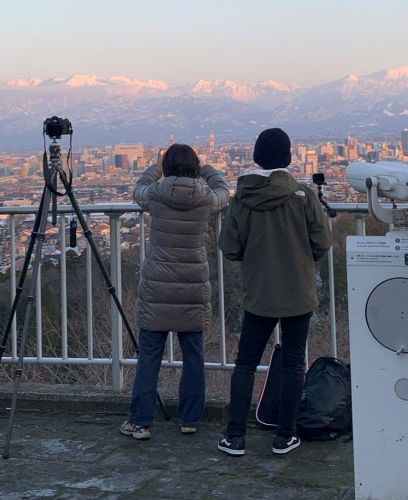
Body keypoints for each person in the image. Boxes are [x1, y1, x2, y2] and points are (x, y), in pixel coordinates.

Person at [217, 128, 331, 456]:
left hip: (260, 293)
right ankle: (285, 435)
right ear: (289, 157)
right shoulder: (303, 196)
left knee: (245, 364)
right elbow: (321, 242)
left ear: (256, 156)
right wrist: (304, 262)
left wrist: (253, 259)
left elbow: (229, 247)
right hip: (298, 292)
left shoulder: (242, 199)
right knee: (295, 363)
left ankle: (235, 436)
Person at [120, 143, 229, 440]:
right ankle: (190, 418)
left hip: (157, 285)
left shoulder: (156, 194)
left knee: (149, 355)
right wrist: (206, 167)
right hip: (192, 283)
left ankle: (140, 422)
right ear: (195, 167)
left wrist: (156, 166)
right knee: (193, 355)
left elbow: (139, 188)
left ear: (166, 168)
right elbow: (223, 190)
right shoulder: (205, 198)